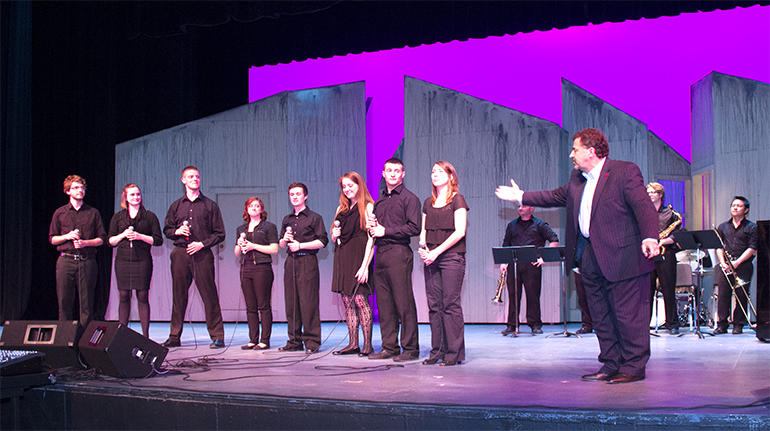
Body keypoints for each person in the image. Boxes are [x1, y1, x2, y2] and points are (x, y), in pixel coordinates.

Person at [495, 127, 658, 384]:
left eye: (575, 149)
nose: (572, 155)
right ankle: (611, 363)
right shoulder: (577, 179)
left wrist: (650, 236)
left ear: (591, 152)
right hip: (590, 255)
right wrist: (521, 195)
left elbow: (643, 206)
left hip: (624, 257)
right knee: (601, 314)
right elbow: (554, 196)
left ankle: (633, 367)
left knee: (628, 315)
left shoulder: (625, 171)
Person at [162, 166, 226, 348]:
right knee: (178, 295)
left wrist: (202, 244)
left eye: (197, 176)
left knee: (209, 295)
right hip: (180, 254)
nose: (194, 179)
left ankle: (217, 336)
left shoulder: (210, 206)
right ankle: (174, 336)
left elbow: (220, 233)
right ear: (183, 180)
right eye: (190, 176)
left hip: (202, 254)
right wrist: (176, 231)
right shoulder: (176, 206)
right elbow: (166, 230)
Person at [367, 158, 421, 362]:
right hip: (381, 254)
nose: (392, 174)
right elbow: (375, 231)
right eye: (389, 170)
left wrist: (385, 230)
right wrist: (373, 227)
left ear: (403, 174)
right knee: (384, 303)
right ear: (383, 173)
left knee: (403, 302)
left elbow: (414, 228)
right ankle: (389, 346)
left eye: (397, 171)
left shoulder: (409, 198)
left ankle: (410, 348)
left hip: (399, 253)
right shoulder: (379, 201)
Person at [419, 161, 468, 366]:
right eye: (432, 171)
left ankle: (453, 353)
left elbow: (460, 231)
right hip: (431, 257)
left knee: (450, 304)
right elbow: (423, 232)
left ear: (451, 176)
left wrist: (437, 252)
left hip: (451, 257)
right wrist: (423, 248)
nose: (435, 174)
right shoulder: (428, 202)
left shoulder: (457, 200)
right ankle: (437, 350)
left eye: (440, 171)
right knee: (434, 305)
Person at [49, 175, 107, 327]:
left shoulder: (93, 212)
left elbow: (102, 238)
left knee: (87, 302)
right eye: (75, 188)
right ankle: (65, 340)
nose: (80, 190)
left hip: (87, 260)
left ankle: (85, 342)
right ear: (68, 191)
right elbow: (52, 239)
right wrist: (67, 236)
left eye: (82, 187)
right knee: (64, 301)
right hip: (66, 260)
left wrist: (85, 243)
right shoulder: (60, 213)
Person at [107, 184, 163, 338]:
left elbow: (158, 240)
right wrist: (123, 235)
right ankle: (121, 336)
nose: (136, 197)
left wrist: (140, 236)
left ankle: (145, 336)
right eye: (132, 195)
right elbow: (110, 241)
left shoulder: (149, 216)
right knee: (124, 296)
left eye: (138, 194)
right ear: (125, 197)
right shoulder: (118, 217)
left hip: (142, 260)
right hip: (123, 260)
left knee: (142, 296)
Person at [279, 182, 328, 354]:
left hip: (307, 261)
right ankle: (294, 341)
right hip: (291, 262)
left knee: (309, 303)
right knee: (291, 303)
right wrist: (284, 239)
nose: (294, 197)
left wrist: (301, 246)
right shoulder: (287, 219)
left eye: (298, 194)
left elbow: (322, 241)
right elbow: (280, 244)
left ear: (305, 196)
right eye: (291, 194)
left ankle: (312, 342)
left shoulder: (315, 218)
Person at [330, 172, 376, 356]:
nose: (348, 189)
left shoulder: (368, 206)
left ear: (359, 185)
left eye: (351, 185)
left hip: (359, 257)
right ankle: (353, 343)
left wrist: (365, 266)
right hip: (343, 257)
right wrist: (335, 234)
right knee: (347, 301)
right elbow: (334, 234)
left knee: (360, 299)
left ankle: (367, 345)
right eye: (344, 186)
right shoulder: (340, 209)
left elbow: (371, 240)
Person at [499, 205, 559, 335]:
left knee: (533, 295)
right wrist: (504, 262)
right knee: (513, 294)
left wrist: (544, 257)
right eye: (519, 206)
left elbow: (554, 240)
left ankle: (535, 324)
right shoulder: (512, 225)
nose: (520, 208)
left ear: (531, 208)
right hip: (514, 264)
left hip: (532, 265)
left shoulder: (540, 225)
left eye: (523, 206)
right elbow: (506, 244)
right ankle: (512, 325)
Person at [235, 197, 278, 350]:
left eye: (257, 206)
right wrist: (240, 245)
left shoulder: (268, 227)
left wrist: (253, 246)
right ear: (246, 209)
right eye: (250, 206)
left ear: (261, 209)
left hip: (262, 268)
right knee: (250, 306)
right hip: (245, 268)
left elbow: (274, 249)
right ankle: (253, 339)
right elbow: (236, 253)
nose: (253, 208)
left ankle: (264, 340)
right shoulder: (241, 229)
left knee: (263, 305)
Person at [714, 196, 758, 335]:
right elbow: (719, 246)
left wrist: (737, 262)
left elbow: (752, 248)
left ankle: (738, 324)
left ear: (746, 210)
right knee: (723, 295)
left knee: (741, 294)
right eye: (733, 205)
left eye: (739, 206)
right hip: (726, 265)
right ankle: (722, 324)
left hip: (743, 265)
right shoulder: (723, 226)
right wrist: (722, 263)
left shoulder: (752, 227)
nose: (735, 207)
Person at [646, 182, 683, 335]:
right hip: (647, 256)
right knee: (646, 292)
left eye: (653, 192)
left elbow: (678, 234)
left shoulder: (672, 214)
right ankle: (644, 325)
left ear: (660, 195)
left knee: (668, 290)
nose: (649, 195)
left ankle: (672, 324)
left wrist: (664, 241)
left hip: (666, 254)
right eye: (647, 192)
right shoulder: (643, 212)